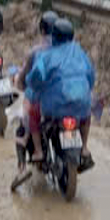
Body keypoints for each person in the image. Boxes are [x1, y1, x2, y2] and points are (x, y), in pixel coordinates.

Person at [12, 13, 95, 187]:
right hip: (81, 105)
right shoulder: (80, 52)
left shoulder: (45, 55)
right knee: (87, 116)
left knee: (31, 116)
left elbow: (34, 79)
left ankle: (37, 153)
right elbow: (91, 76)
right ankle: (85, 147)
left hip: (55, 107)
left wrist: (30, 85)